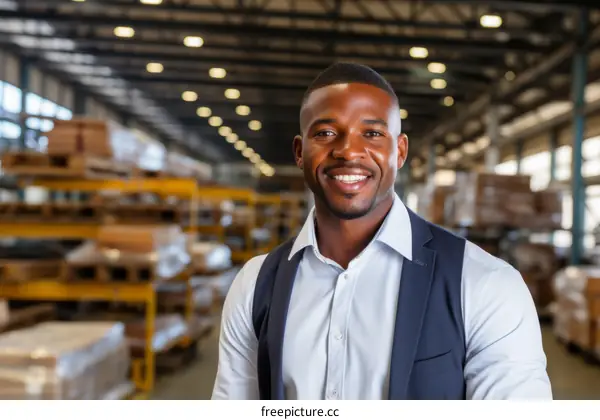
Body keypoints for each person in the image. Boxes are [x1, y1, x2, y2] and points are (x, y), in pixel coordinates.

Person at [211, 62, 553, 400]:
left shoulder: (485, 284)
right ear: (300, 153)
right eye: (326, 133)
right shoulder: (255, 285)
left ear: (399, 151)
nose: (347, 150)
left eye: (372, 133)